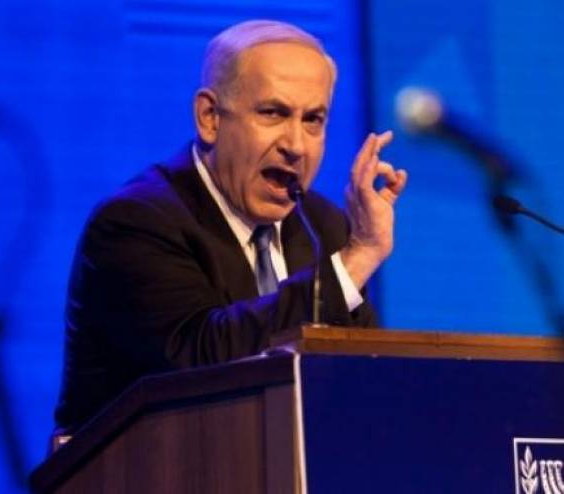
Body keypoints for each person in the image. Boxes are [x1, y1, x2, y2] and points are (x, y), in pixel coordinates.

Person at [54, 20, 407, 432]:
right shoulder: (136, 223)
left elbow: (364, 376)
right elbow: (203, 362)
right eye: (273, 113)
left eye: (313, 120)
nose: (295, 145)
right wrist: (359, 257)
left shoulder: (323, 226)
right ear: (209, 117)